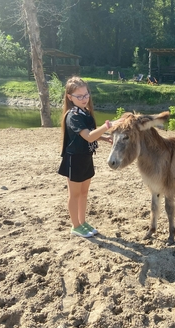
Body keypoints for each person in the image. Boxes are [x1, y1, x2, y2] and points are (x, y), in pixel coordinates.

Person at [58, 76, 121, 238]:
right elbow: (88, 136)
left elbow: (90, 134)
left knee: (84, 193)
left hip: (86, 157)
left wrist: (105, 137)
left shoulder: (85, 112)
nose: (84, 99)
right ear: (70, 97)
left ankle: (82, 221)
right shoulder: (73, 116)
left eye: (86, 95)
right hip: (74, 159)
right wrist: (107, 126)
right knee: (74, 195)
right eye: (79, 96)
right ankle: (75, 225)